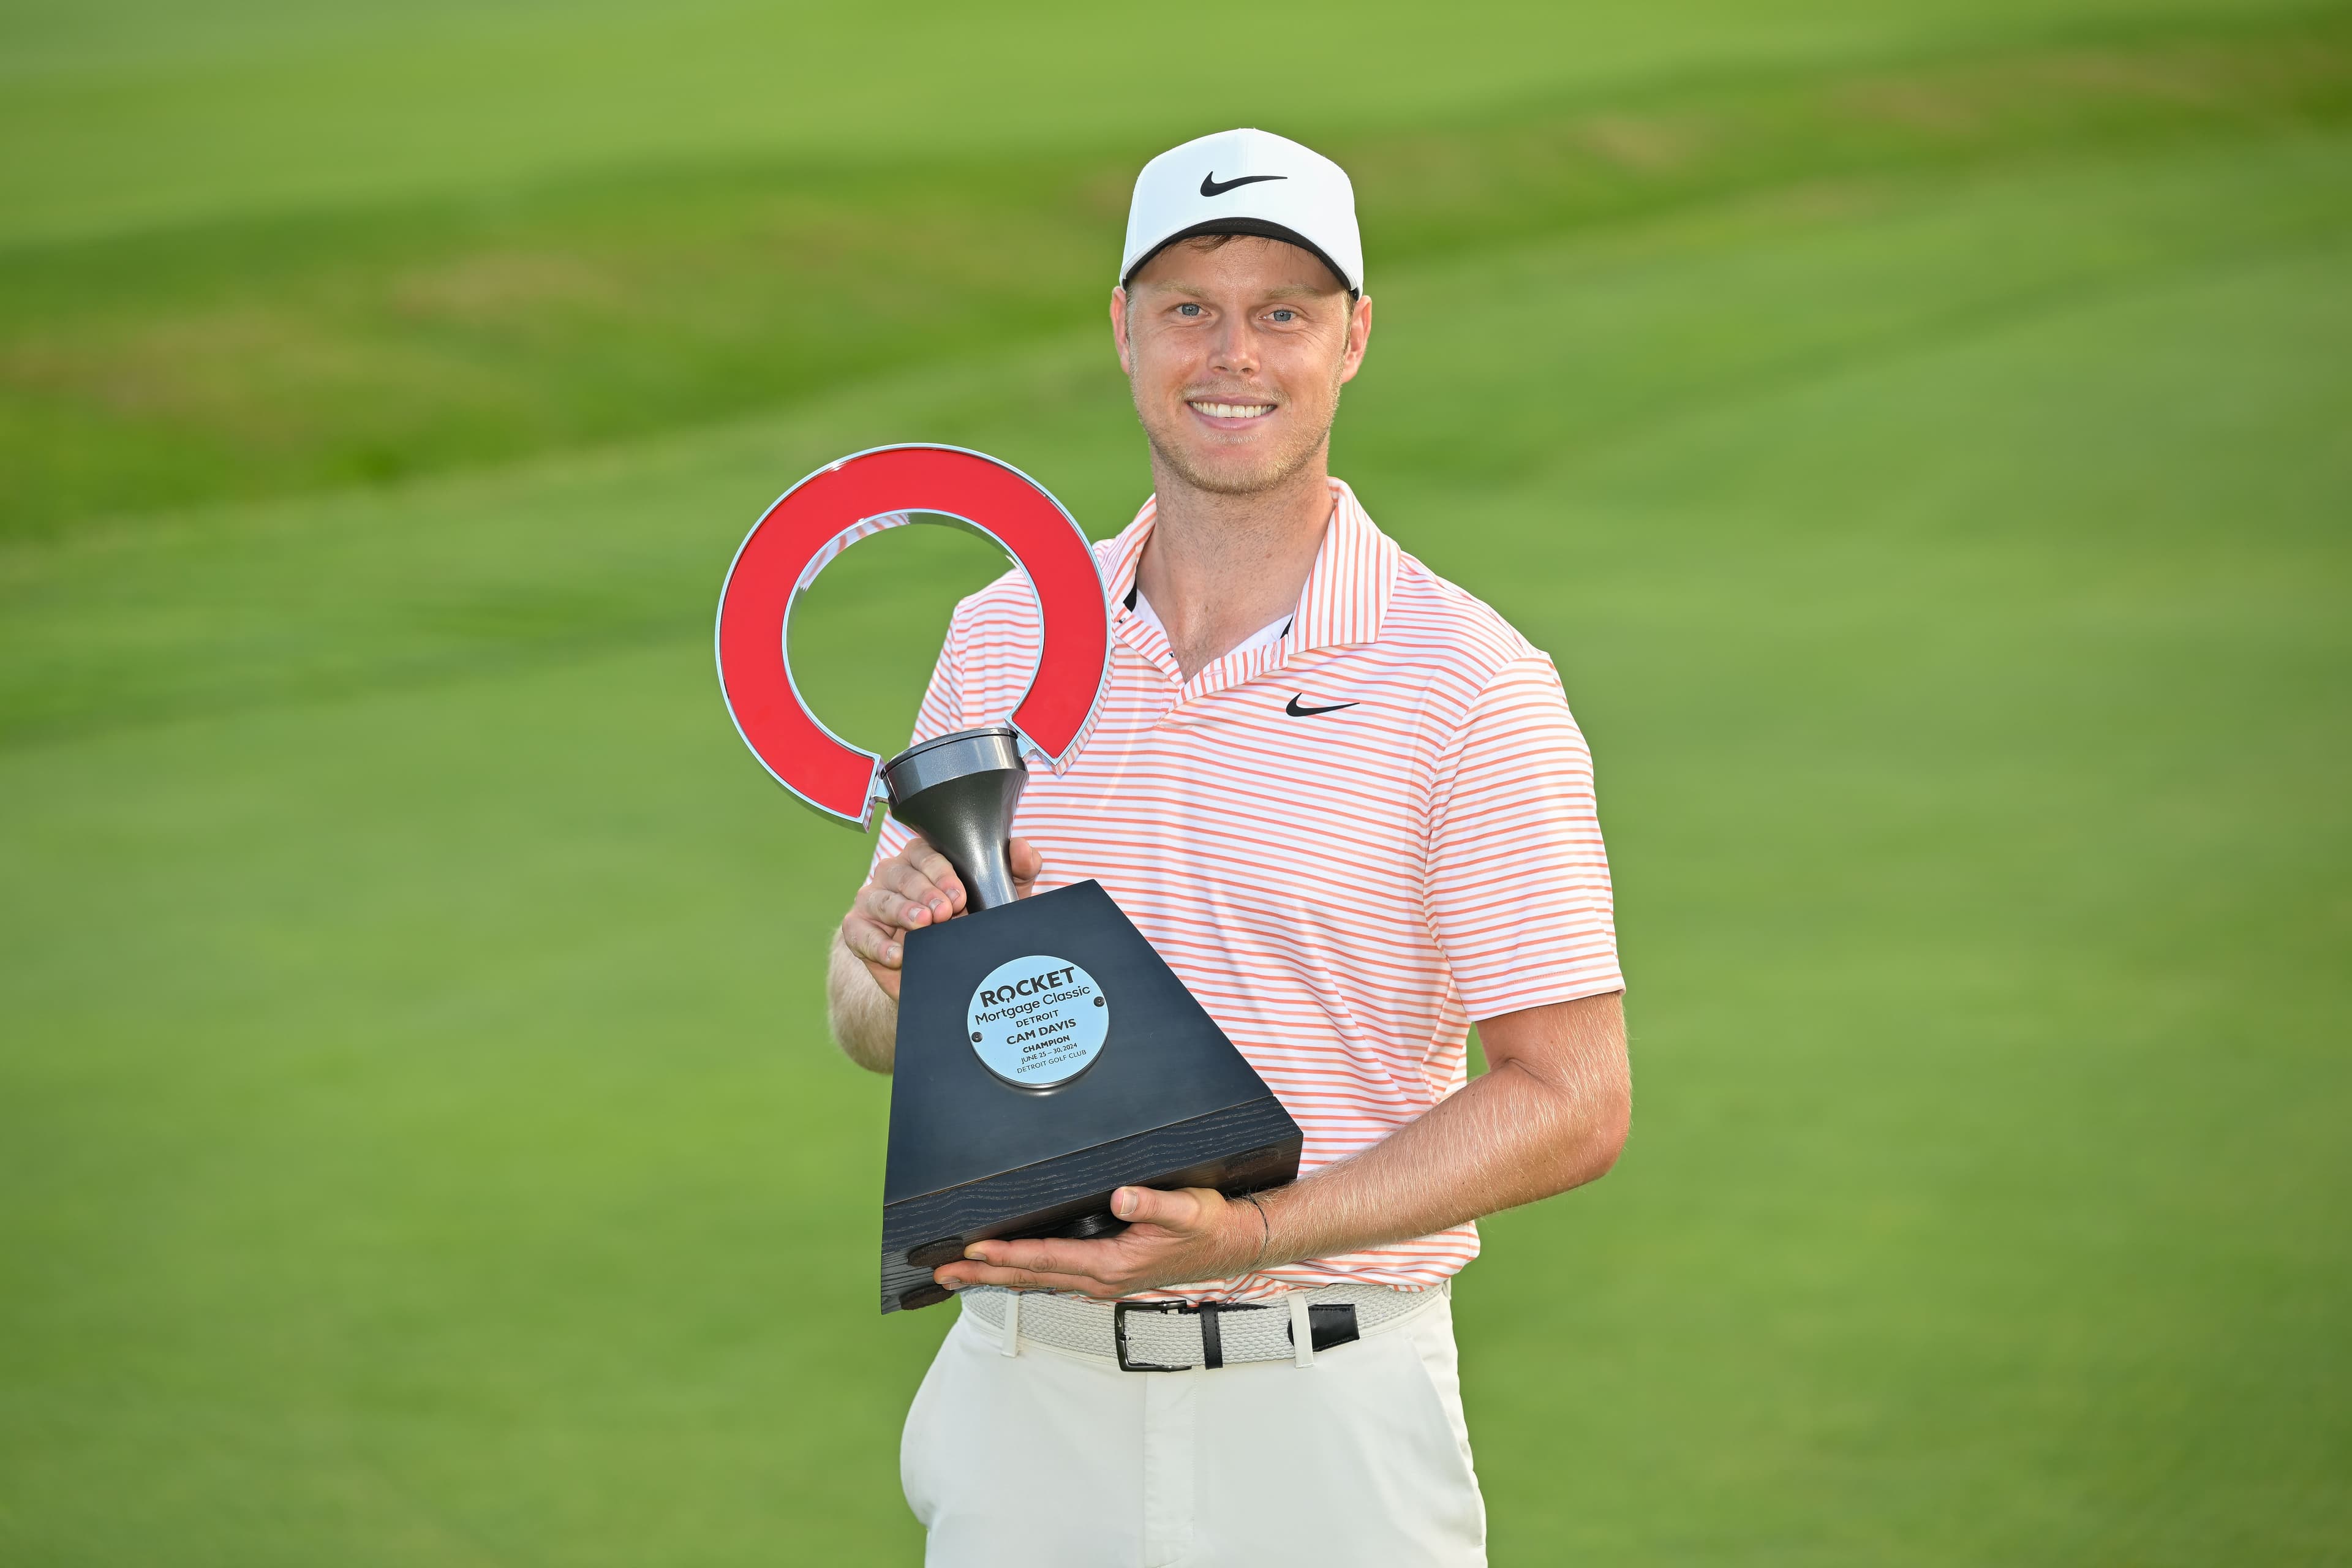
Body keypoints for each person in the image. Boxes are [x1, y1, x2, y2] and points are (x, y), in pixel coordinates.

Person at [826, 127, 1630, 1567]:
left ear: (1355, 337)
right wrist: (878, 960)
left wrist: (1257, 1234)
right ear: (1122, 328)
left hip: (1324, 1408)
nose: (1231, 354)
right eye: (1189, 305)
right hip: (1028, 1399)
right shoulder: (999, 636)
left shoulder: (1468, 681)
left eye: (1284, 311)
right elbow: (879, 1030)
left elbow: (1574, 1097)